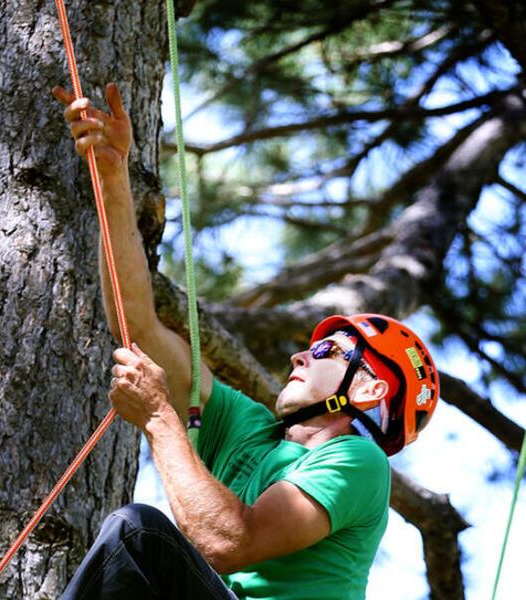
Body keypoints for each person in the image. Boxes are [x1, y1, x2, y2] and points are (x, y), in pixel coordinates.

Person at [51, 83, 439, 600]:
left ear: (367, 392)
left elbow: (231, 541)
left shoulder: (358, 462)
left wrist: (162, 419)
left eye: (329, 352)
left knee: (137, 534)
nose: (302, 354)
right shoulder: (248, 429)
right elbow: (138, 328)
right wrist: (112, 175)